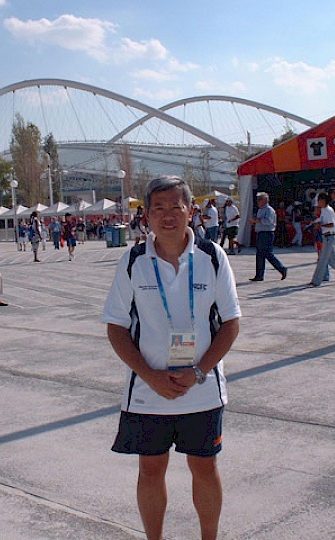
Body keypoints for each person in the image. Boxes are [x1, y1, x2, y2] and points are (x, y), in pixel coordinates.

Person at [103, 176, 240, 540]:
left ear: (191, 211)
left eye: (175, 207)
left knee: (205, 468)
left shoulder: (213, 257)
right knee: (150, 470)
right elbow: (115, 326)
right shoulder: (132, 261)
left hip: (202, 387)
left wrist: (199, 371)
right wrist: (150, 376)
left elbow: (230, 323)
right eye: (158, 208)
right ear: (145, 215)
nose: (167, 216)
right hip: (149, 392)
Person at [308, 193, 335, 287]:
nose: (318, 202)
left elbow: (331, 224)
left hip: (329, 236)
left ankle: (316, 280)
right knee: (333, 259)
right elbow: (322, 219)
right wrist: (315, 222)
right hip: (327, 236)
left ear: (323, 201)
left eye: (319, 200)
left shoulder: (328, 210)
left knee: (323, 259)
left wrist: (320, 225)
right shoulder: (324, 210)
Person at [249, 192, 287, 281]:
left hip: (267, 233)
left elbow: (269, 221)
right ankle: (259, 275)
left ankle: (282, 269)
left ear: (265, 200)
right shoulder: (260, 209)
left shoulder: (269, 210)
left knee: (268, 254)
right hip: (261, 233)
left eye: (260, 199)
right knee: (259, 254)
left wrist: (258, 220)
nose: (258, 201)